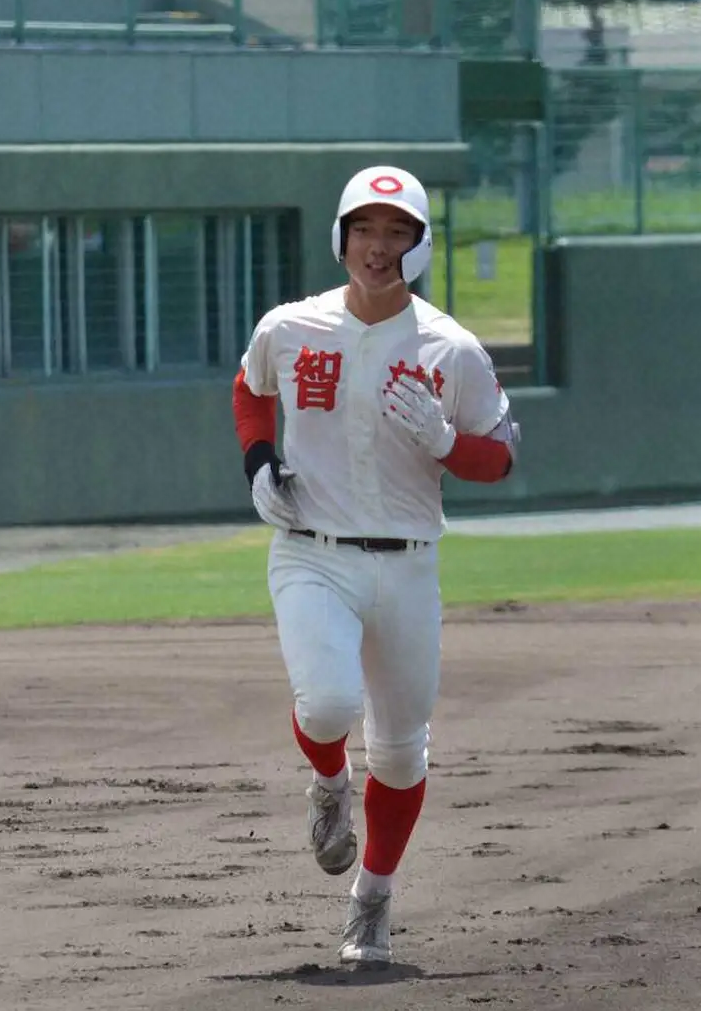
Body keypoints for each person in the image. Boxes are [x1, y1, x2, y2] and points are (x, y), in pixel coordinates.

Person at [231, 165, 520, 965]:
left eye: (397, 232)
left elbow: (501, 457)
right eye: (365, 228)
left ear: (419, 245)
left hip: (407, 562)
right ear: (342, 236)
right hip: (310, 550)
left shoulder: (448, 347)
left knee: (398, 751)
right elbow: (251, 389)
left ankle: (373, 899)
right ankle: (328, 783)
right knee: (325, 704)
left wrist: (445, 442)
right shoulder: (291, 327)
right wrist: (259, 464)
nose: (378, 246)